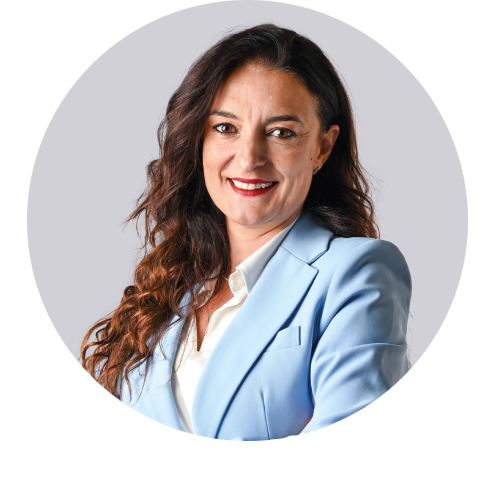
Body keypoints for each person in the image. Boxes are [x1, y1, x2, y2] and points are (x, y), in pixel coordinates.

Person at [81, 24, 412, 440]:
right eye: (226, 127)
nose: (249, 157)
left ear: (322, 149)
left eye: (281, 132)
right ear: (199, 137)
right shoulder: (170, 287)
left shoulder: (358, 273)